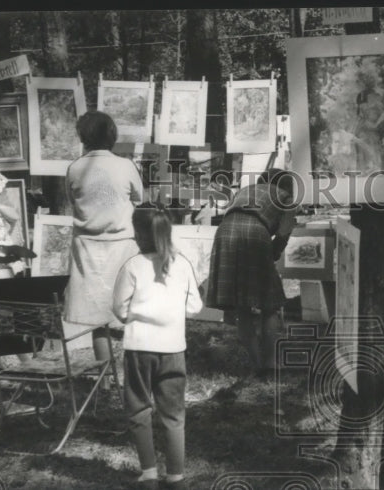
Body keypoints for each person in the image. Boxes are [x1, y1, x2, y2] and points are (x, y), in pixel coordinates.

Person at [113, 205, 201, 490]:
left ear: (137, 234)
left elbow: (118, 308)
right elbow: (195, 307)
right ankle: (176, 477)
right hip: (174, 348)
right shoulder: (183, 264)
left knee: (139, 408)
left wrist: (132, 318)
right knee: (174, 415)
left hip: (140, 348)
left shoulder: (131, 267)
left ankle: (149, 473)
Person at [64, 111, 143, 366]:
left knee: (97, 318)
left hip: (88, 247)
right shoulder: (125, 165)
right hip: (122, 246)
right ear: (112, 135)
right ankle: (135, 370)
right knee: (132, 310)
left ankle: (105, 377)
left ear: (82, 136)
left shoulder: (75, 168)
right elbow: (140, 199)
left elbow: (72, 202)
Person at [206, 169, 297, 377]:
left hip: (225, 231)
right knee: (270, 304)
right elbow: (284, 232)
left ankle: (257, 363)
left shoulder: (246, 190)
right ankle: (270, 363)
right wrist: (273, 253)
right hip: (255, 232)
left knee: (242, 305)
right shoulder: (287, 198)